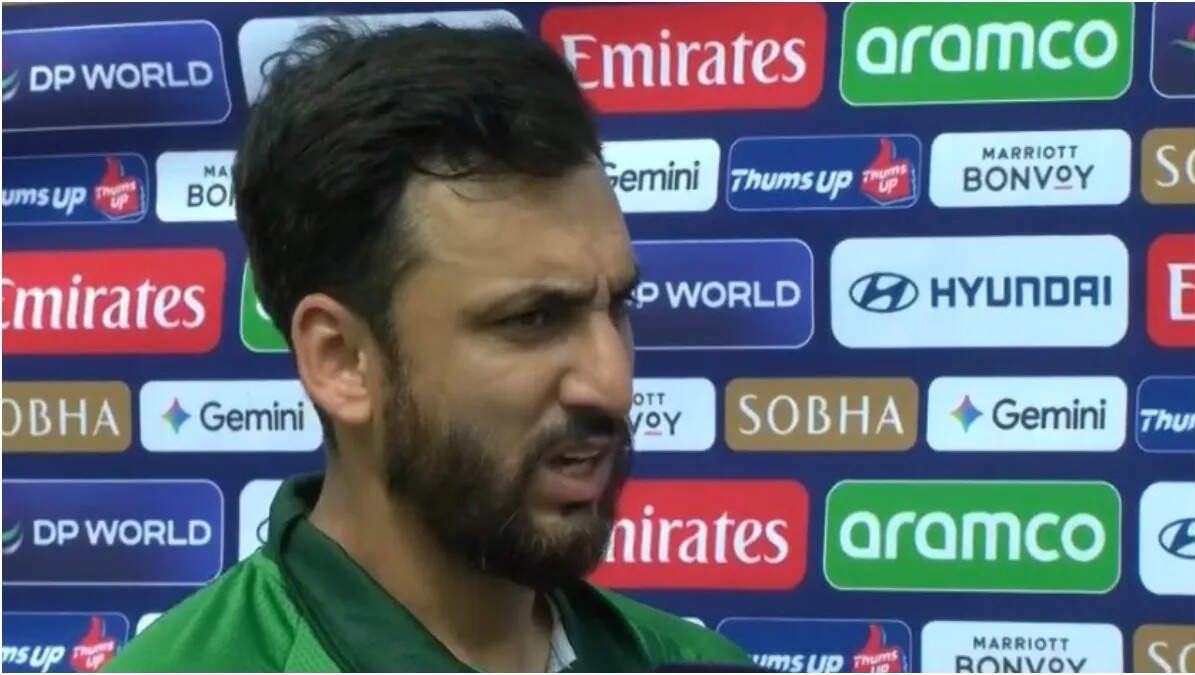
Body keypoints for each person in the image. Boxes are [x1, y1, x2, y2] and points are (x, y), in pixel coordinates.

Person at [105, 19, 754, 673]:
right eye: (532, 318)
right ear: (341, 360)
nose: (611, 384)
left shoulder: (695, 661)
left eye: (617, 306)